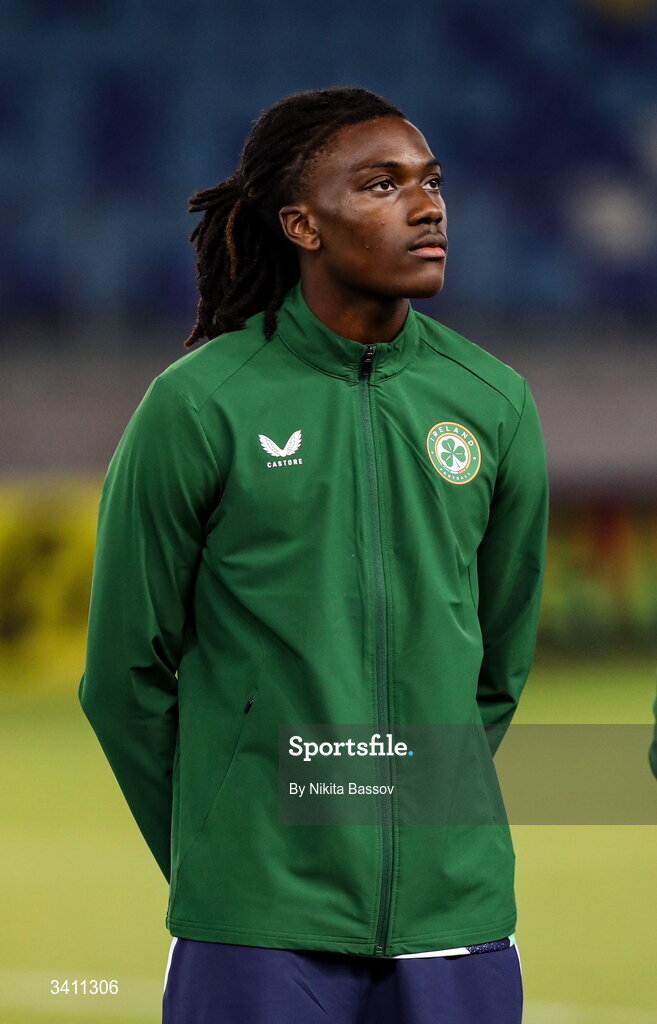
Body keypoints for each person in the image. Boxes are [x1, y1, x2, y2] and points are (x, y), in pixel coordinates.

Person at [78, 86, 549, 1023]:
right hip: (255, 924)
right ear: (300, 223)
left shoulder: (493, 402)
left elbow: (496, 668)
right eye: (381, 185)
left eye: (431, 183)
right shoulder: (201, 404)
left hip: (453, 913)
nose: (426, 207)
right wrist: (224, 846)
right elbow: (123, 675)